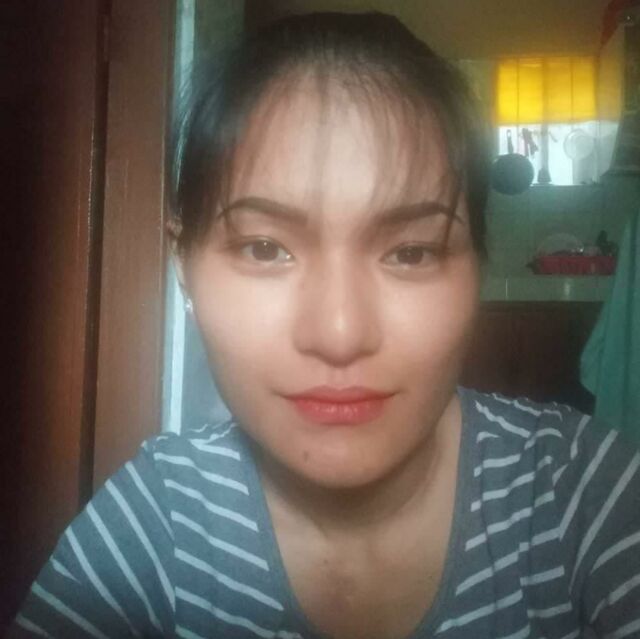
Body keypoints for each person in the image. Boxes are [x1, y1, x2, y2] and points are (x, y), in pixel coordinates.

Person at [9, 12, 640, 639]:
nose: (339, 334)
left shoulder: (579, 491)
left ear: (478, 265)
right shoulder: (160, 523)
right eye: (264, 248)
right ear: (184, 268)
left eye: (411, 252)